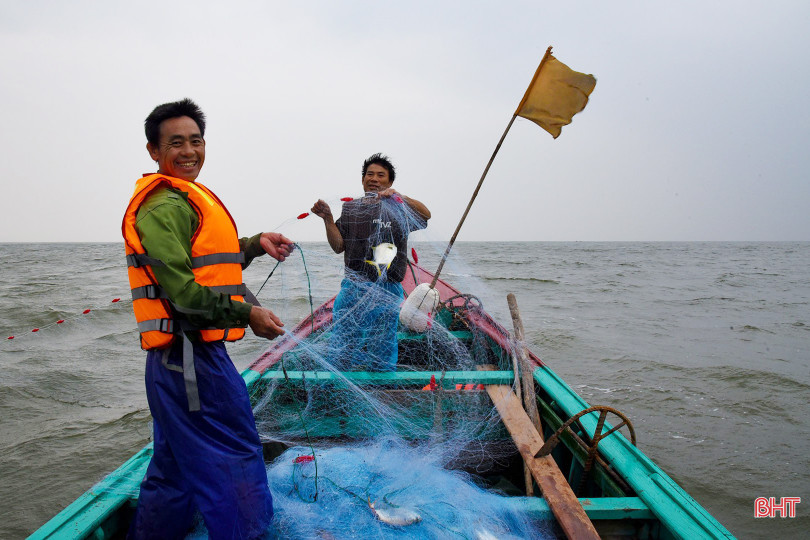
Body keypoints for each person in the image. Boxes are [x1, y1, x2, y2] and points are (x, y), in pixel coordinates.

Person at [122, 98, 293, 539]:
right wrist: (247, 313)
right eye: (175, 143)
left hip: (174, 365)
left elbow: (209, 262)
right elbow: (183, 294)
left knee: (174, 465)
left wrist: (256, 244)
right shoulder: (164, 207)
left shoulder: (183, 201)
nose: (189, 152)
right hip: (192, 361)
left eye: (196, 141)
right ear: (153, 150)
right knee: (233, 456)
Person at [311, 153, 430, 371]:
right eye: (369, 174)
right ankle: (343, 379)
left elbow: (426, 215)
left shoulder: (400, 209)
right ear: (363, 179)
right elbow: (339, 246)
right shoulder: (351, 208)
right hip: (353, 288)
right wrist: (327, 218)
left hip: (388, 287)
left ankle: (382, 380)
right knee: (344, 337)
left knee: (383, 340)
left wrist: (400, 196)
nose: (373, 178)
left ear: (390, 182)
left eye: (380, 175)